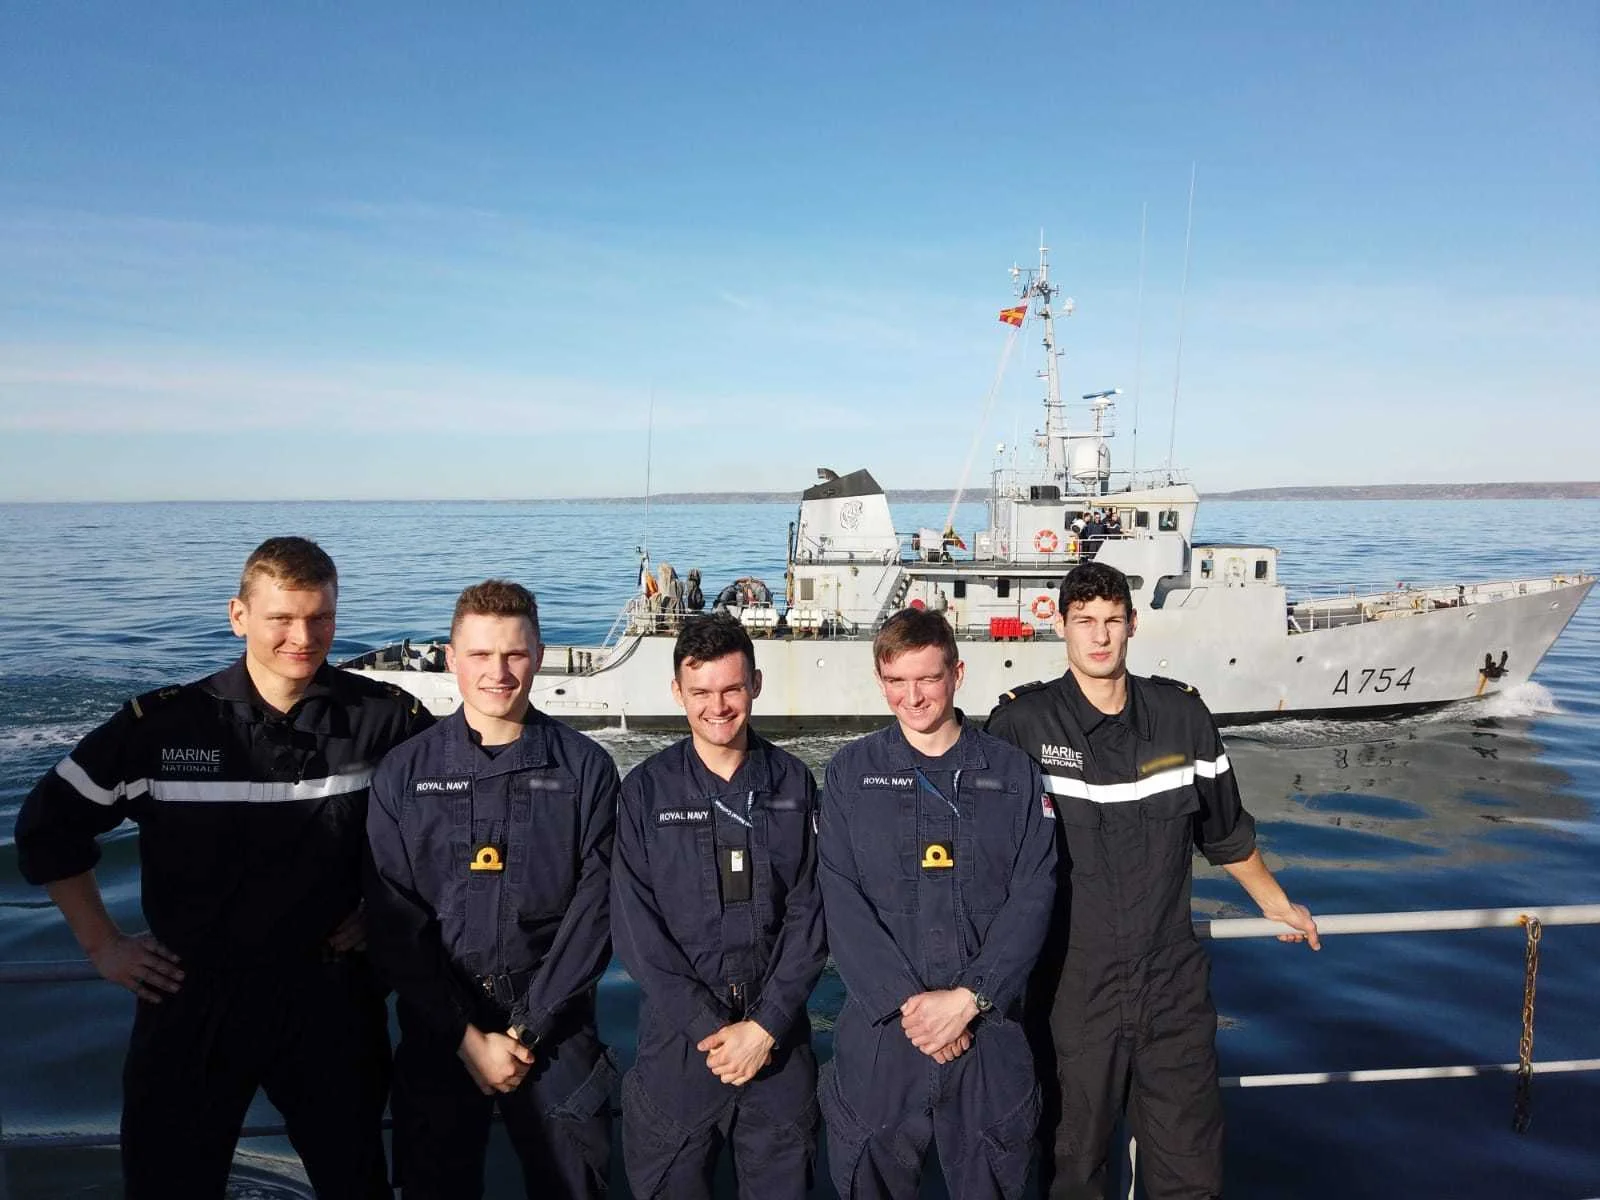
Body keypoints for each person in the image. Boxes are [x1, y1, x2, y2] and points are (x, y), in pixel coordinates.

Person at [13, 535, 433, 1199]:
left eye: (320, 617)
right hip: (191, 998)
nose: (303, 637)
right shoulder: (163, 728)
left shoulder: (385, 720)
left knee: (354, 1181)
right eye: (281, 618)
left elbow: (450, 824)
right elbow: (47, 828)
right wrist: (103, 946)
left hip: (331, 999)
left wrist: (385, 908)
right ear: (239, 616)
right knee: (169, 1184)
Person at [986, 560, 1320, 1200]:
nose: (1100, 636)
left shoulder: (1181, 717)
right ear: (1060, 626)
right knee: (1072, 1168)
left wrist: (1278, 904)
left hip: (1171, 985)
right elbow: (989, 858)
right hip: (1069, 986)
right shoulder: (1021, 726)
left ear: (1133, 624)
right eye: (1085, 621)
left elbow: (1225, 832)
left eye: (1112, 620)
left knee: (1190, 1168)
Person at [364, 580, 619, 1199]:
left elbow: (596, 912)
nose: (498, 673)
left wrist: (529, 1027)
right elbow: (394, 919)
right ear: (452, 658)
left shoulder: (585, 769)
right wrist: (464, 1037)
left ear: (539, 656)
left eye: (515, 654)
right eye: (480, 654)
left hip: (554, 1028)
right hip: (440, 1026)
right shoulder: (404, 772)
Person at [817, 608, 1057, 1200]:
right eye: (896, 681)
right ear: (880, 681)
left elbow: (1035, 892)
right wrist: (916, 1010)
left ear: (957, 674)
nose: (913, 697)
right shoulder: (850, 774)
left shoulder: (1014, 774)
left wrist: (971, 998)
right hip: (884, 1036)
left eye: (927, 678)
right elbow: (840, 899)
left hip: (988, 1034)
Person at [611, 613, 826, 1200]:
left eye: (732, 689)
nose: (718, 706)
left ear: (755, 684)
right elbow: (635, 928)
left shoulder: (793, 784)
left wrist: (765, 1025)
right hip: (680, 1046)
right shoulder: (645, 791)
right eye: (701, 692)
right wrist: (710, 1029)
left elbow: (812, 914)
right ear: (677, 692)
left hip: (777, 1041)